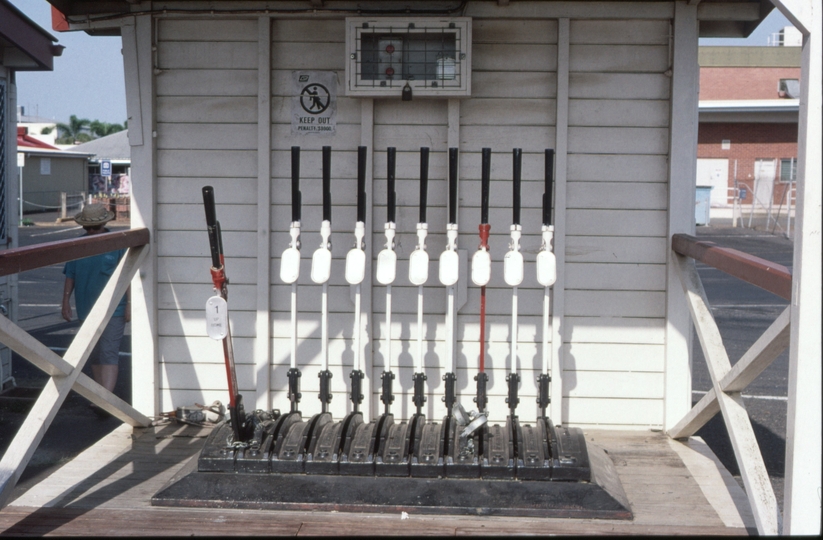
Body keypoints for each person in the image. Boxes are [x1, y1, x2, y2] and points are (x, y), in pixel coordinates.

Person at [61, 203, 130, 414]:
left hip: (114, 308)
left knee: (108, 351)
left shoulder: (117, 244)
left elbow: (128, 277)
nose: (91, 232)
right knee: (94, 352)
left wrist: (129, 305)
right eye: (88, 228)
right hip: (86, 307)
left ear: (104, 224)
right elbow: (70, 275)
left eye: (95, 228)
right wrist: (65, 301)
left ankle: (104, 398)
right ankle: (100, 394)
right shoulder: (76, 245)